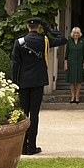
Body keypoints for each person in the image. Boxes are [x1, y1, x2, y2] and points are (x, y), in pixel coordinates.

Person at [12, 17, 67, 155]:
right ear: (38, 27)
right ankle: (32, 147)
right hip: (38, 81)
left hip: (23, 82)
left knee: (24, 114)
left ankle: (23, 146)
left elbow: (15, 64)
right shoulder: (44, 41)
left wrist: (14, 82)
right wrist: (47, 26)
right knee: (34, 114)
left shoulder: (19, 42)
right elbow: (62, 38)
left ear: (27, 27)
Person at [65, 26, 84, 104]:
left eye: (77, 33)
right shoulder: (69, 41)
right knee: (71, 81)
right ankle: (72, 96)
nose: (76, 34)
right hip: (71, 63)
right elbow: (66, 54)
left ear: (79, 33)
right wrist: (66, 64)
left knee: (78, 81)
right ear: (72, 33)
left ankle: (77, 97)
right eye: (74, 33)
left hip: (79, 63)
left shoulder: (82, 41)